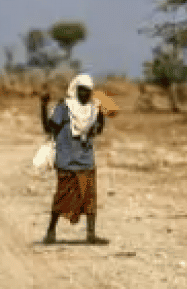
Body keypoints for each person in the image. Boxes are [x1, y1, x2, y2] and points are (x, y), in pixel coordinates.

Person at [39, 73, 108, 245]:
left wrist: (102, 113)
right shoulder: (64, 108)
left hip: (86, 160)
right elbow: (49, 128)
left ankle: (91, 234)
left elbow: (97, 131)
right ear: (75, 89)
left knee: (89, 197)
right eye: (82, 90)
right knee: (62, 197)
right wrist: (43, 106)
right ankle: (50, 232)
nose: (85, 94)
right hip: (67, 160)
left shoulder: (92, 109)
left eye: (88, 91)